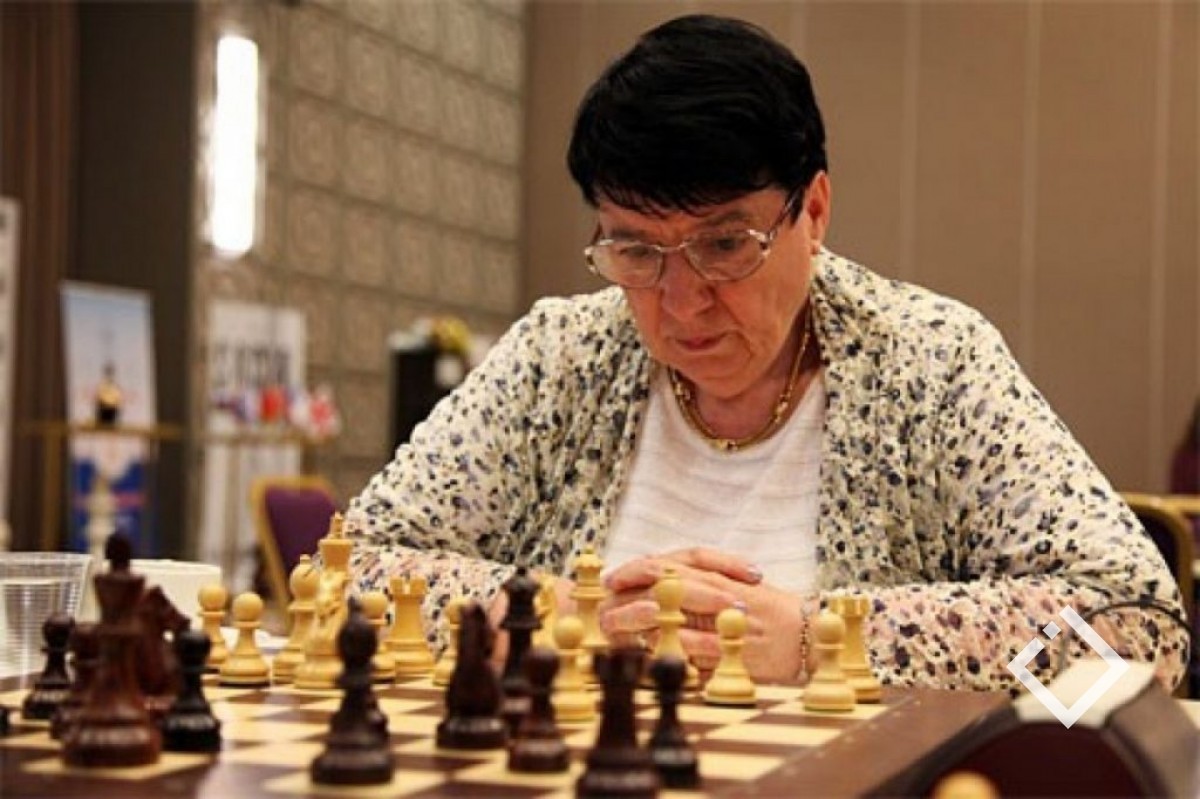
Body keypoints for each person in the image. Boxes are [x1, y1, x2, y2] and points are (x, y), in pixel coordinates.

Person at [346, 15, 1189, 691]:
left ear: (813, 212)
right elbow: (352, 570)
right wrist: (556, 614)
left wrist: (824, 642)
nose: (682, 300)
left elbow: (1140, 633)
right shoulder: (556, 361)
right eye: (635, 250)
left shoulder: (933, 365)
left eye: (724, 245)